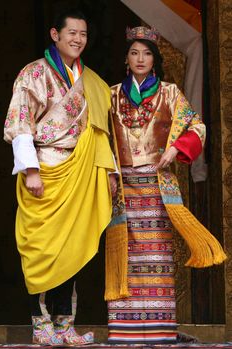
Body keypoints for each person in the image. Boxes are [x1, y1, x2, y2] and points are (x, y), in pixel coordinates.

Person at [105, 26, 226, 345]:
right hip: (123, 186)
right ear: (126, 58)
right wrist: (108, 171)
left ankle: (159, 328)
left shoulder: (170, 93)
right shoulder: (112, 94)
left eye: (146, 53)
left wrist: (175, 149)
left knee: (156, 253)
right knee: (127, 256)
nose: (140, 58)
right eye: (134, 53)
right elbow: (100, 137)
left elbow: (197, 127)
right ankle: (125, 330)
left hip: (157, 185)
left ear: (155, 60)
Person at [4, 9, 117, 346]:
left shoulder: (92, 82)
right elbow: (21, 122)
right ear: (55, 34)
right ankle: (40, 326)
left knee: (71, 249)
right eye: (72, 33)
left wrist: (107, 171)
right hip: (46, 165)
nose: (77, 39)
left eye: (83, 34)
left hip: (80, 171)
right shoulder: (34, 73)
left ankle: (65, 325)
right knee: (41, 249)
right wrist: (32, 170)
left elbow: (100, 133)